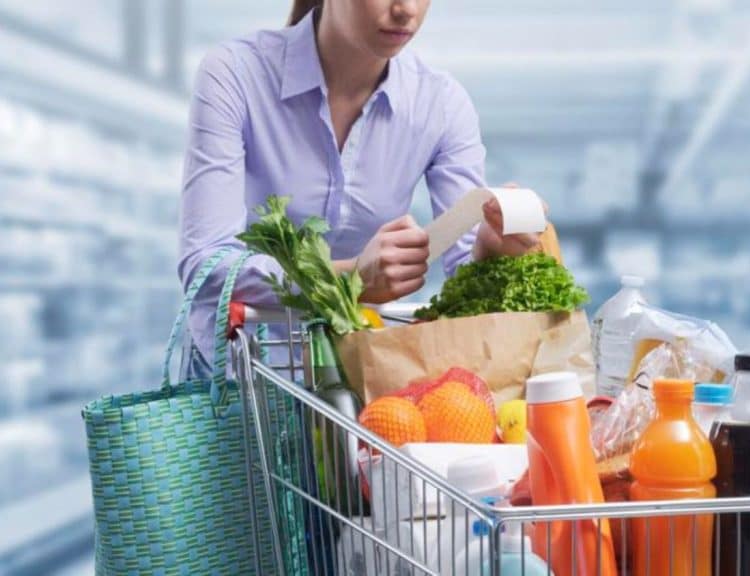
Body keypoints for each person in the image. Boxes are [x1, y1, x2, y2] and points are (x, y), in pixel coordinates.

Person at [178, 0, 543, 361]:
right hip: (241, 384)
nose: (406, 10)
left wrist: (492, 250)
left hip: (362, 383)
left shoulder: (441, 105)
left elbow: (465, 270)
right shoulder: (236, 74)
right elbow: (206, 267)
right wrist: (350, 276)